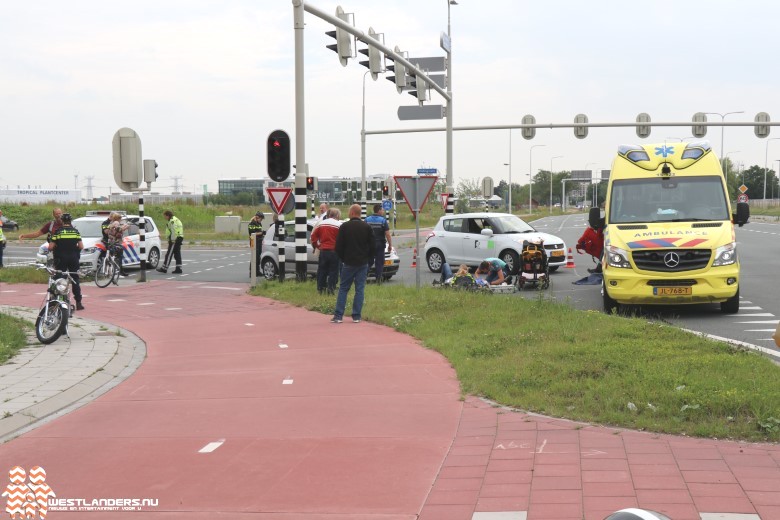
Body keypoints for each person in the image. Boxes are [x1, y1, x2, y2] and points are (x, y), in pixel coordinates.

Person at [332, 204, 375, 324]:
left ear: (351, 213)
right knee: (360, 289)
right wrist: (368, 260)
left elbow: (338, 246)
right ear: (360, 213)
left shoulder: (344, 227)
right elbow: (372, 246)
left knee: (343, 288)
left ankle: (338, 316)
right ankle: (356, 316)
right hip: (362, 263)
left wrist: (343, 258)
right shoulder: (366, 227)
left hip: (349, 262)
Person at [47, 213, 84, 311]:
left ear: (62, 221)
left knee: (59, 279)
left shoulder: (58, 232)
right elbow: (81, 246)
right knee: (75, 279)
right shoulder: (75, 232)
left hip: (60, 259)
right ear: (70, 221)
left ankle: (57, 299)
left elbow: (50, 247)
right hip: (73, 258)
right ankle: (79, 302)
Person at [311, 207, 341, 294]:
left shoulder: (321, 224)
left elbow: (313, 237)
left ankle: (320, 289)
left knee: (322, 270)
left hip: (323, 251)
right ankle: (331, 289)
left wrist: (317, 246)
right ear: (337, 215)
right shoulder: (338, 225)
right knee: (333, 271)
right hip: (334, 251)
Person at [365, 204, 392, 283]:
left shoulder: (367, 220)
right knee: (379, 263)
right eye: (382, 210)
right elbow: (387, 234)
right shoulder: (383, 221)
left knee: (368, 262)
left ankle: (363, 277)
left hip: (369, 244)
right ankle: (378, 280)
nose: (383, 211)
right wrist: (390, 245)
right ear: (379, 210)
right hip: (380, 244)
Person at [157, 210, 184, 274]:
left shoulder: (172, 221)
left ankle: (164, 268)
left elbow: (173, 231)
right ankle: (178, 268)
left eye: (165, 216)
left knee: (169, 254)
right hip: (179, 237)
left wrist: (172, 240)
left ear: (167, 215)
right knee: (177, 254)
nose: (164, 218)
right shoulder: (176, 219)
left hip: (175, 239)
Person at [105, 212, 130, 278]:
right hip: (116, 243)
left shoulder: (111, 223)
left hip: (111, 242)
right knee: (118, 258)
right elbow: (119, 230)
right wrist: (126, 227)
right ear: (117, 218)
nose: (121, 220)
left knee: (113, 258)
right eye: (120, 218)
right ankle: (118, 272)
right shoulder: (116, 223)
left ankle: (114, 272)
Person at [248, 212, 265, 276]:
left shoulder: (259, 223)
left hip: (259, 241)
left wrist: (262, 233)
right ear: (257, 217)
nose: (261, 220)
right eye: (261, 219)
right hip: (253, 241)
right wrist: (261, 233)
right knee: (254, 256)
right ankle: (252, 272)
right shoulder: (252, 224)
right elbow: (252, 234)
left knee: (258, 257)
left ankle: (257, 271)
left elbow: (259, 232)